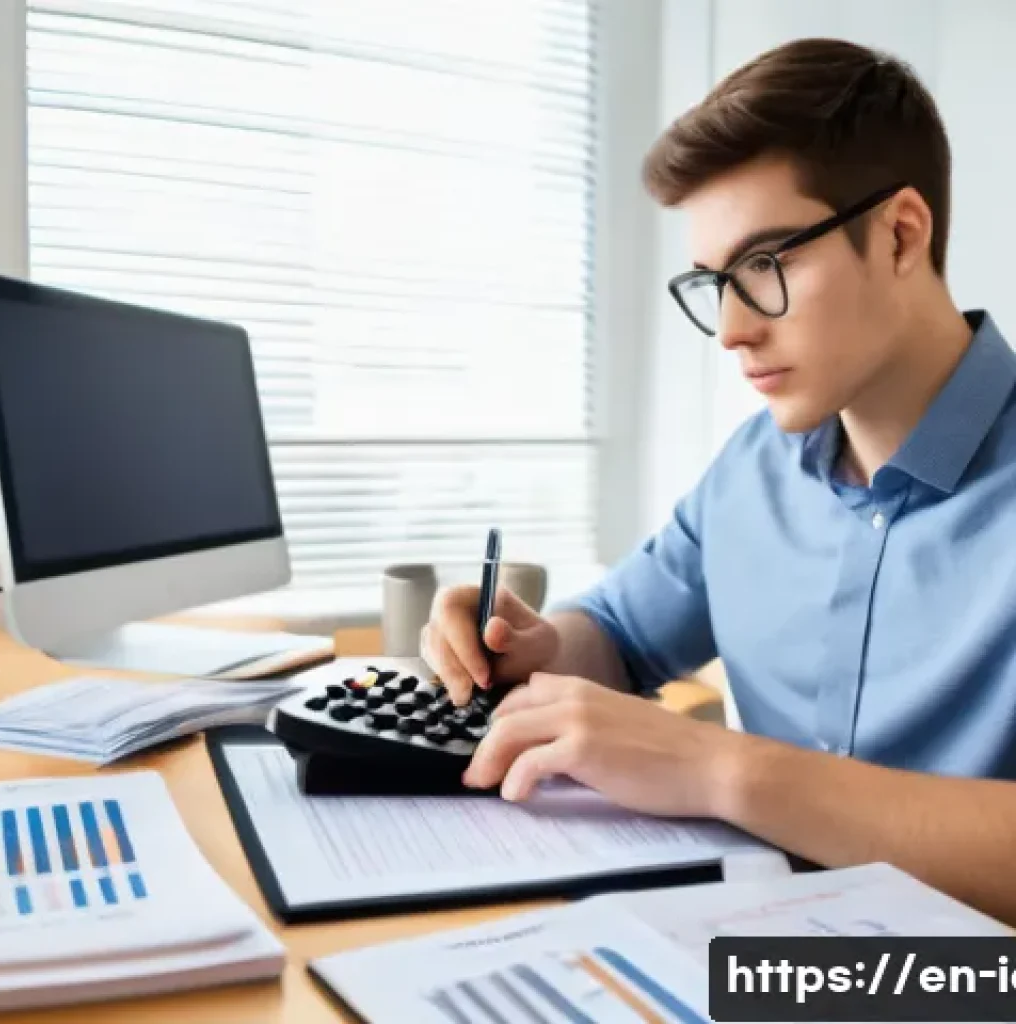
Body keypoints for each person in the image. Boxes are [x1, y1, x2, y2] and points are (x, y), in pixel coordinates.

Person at [420, 37, 1016, 925]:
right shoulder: (753, 470)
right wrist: (532, 648)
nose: (731, 329)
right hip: (769, 937)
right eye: (712, 283)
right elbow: (619, 634)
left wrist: (720, 770)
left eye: (765, 266)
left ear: (900, 234)